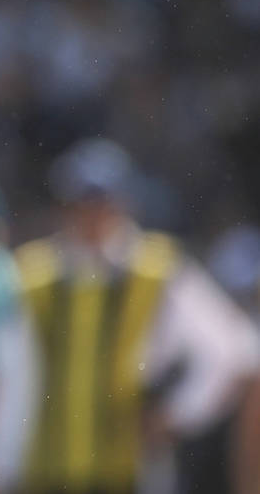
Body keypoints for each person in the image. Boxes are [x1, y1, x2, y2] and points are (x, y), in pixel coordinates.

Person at [14, 137, 260, 494]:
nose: (93, 216)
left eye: (103, 204)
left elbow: (234, 352)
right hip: (44, 467)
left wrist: (176, 416)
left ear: (124, 204)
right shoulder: (34, 273)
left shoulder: (158, 269)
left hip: (132, 470)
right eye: (83, 205)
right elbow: (11, 374)